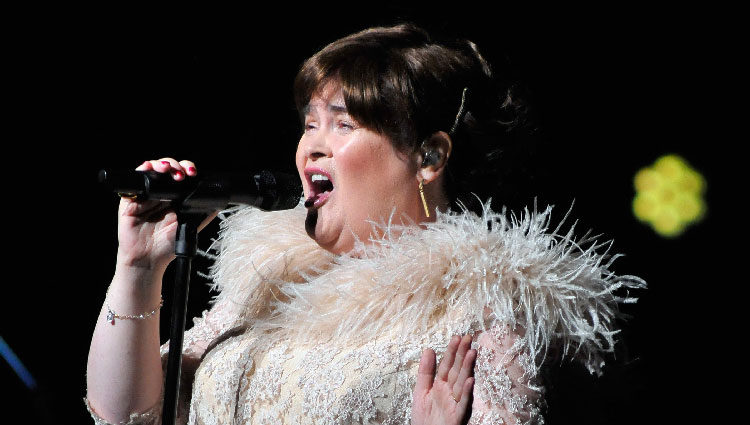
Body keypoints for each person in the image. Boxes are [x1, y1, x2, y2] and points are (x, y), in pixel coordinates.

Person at [85, 24, 644, 424]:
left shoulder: (485, 318)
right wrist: (136, 267)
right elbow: (125, 414)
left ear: (428, 157)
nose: (312, 147)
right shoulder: (265, 289)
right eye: (309, 125)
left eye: (343, 125)